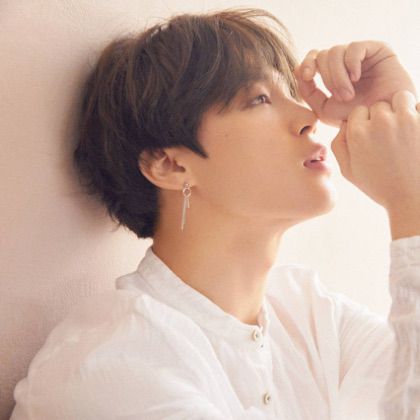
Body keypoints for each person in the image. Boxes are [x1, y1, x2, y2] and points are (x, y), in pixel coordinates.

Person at [10, 7, 420, 420]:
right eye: (259, 99)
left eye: (291, 95)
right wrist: (409, 202)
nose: (308, 118)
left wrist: (399, 112)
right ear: (170, 165)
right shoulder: (116, 366)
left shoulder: (307, 313)